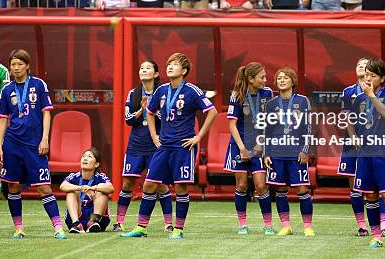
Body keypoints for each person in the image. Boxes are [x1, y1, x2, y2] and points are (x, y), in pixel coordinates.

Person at [121, 52, 217, 239]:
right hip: (163, 146)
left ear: (184, 70)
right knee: (149, 184)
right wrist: (154, 135)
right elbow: (149, 112)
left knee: (181, 187)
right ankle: (141, 227)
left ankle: (178, 229)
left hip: (183, 147)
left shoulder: (192, 90)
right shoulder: (161, 91)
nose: (170, 67)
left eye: (174, 64)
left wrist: (198, 137)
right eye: (169, 64)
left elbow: (211, 111)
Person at [0, 49, 68, 239]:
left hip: (35, 144)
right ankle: (18, 229)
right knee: (13, 186)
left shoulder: (38, 84)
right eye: (13, 65)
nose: (16, 68)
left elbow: (46, 112)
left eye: (20, 64)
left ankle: (58, 228)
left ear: (27, 66)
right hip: (12, 143)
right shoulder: (6, 89)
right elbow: (3, 119)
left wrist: (45, 138)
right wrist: (0, 145)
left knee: (44, 186)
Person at [349, 57, 385, 249]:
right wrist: (354, 137)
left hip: (383, 152)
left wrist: (372, 95)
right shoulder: (358, 98)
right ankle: (376, 236)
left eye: (372, 75)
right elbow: (351, 120)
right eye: (366, 75)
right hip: (364, 153)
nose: (368, 79)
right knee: (370, 196)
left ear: (382, 78)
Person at [114, 60, 173, 232]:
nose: (143, 70)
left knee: (161, 185)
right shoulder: (133, 93)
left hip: (156, 145)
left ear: (155, 74)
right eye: (141, 68)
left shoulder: (164, 92)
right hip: (136, 145)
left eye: (148, 68)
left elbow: (170, 118)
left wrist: (153, 111)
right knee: (127, 183)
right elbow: (128, 120)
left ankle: (168, 223)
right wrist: (142, 110)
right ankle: (119, 222)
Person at [339, 58, 385, 239]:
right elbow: (348, 118)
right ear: (355, 70)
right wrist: (353, 137)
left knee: (380, 186)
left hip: (377, 145)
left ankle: (384, 226)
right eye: (359, 65)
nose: (362, 67)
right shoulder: (348, 92)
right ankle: (362, 226)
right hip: (353, 144)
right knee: (355, 186)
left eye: (367, 66)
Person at [263, 67, 314, 237]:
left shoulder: (302, 101)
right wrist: (266, 153)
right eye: (279, 79)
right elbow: (267, 130)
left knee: (302, 189)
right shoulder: (271, 104)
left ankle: (307, 226)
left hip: (296, 152)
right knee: (280, 190)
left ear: (293, 81)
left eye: (285, 78)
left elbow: (308, 126)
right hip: (277, 152)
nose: (282, 81)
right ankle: (286, 226)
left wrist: (305, 149)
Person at [224, 62, 273, 234]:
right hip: (239, 146)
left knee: (261, 185)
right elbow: (232, 125)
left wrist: (261, 143)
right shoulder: (237, 95)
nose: (265, 80)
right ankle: (242, 224)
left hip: (259, 146)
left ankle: (268, 225)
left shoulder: (267, 94)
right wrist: (242, 148)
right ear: (251, 79)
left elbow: (270, 122)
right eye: (262, 77)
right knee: (242, 185)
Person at [61, 148, 114, 233]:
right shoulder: (74, 176)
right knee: (71, 192)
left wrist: (93, 188)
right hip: (78, 215)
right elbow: (63, 186)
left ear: (96, 164)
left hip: (97, 219)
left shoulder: (100, 177)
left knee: (102, 190)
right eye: (83, 156)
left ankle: (93, 222)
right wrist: (81, 188)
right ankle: (76, 224)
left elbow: (110, 188)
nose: (85, 158)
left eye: (89, 156)